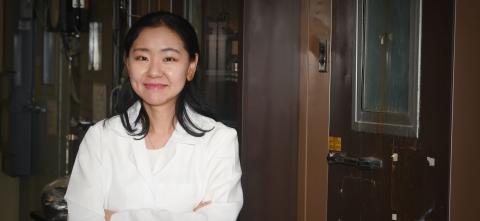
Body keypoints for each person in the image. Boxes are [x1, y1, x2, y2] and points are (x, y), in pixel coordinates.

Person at [65, 11, 243, 221]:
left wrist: (114, 218)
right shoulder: (101, 138)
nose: (154, 71)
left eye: (169, 58)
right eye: (142, 58)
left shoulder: (218, 140)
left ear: (191, 66)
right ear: (127, 63)